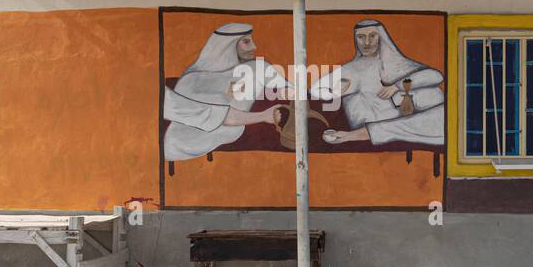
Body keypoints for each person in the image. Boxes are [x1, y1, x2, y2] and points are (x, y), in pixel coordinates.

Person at [164, 23, 289, 161]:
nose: (254, 47)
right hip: (185, 144)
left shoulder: (253, 68)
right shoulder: (191, 81)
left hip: (232, 124)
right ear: (227, 46)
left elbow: (286, 88)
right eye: (246, 41)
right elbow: (217, 115)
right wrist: (264, 115)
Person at [313, 19, 444, 145]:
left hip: (401, 117)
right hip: (376, 120)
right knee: (441, 118)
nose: (367, 43)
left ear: (380, 37)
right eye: (361, 37)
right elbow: (315, 89)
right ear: (355, 39)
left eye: (372, 36)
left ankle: (367, 133)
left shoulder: (394, 62)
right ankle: (359, 134)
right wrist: (333, 92)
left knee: (436, 98)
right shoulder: (352, 69)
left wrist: (396, 87)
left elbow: (436, 76)